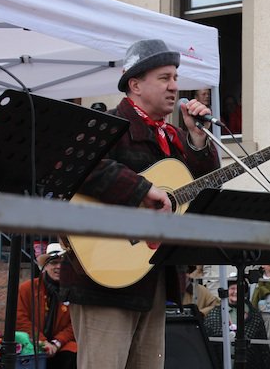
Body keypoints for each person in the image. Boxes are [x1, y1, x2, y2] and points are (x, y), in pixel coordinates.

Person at [59, 39, 220, 369]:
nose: (175, 86)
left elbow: (200, 187)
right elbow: (76, 165)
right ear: (135, 84)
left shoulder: (173, 136)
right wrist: (142, 189)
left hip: (152, 273)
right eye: (164, 78)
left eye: (176, 77)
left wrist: (198, 140)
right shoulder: (106, 125)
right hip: (101, 276)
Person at [17, 243, 77, 369]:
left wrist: (56, 343)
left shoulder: (74, 291)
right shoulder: (27, 288)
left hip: (61, 344)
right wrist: (42, 342)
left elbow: (75, 324)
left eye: (63, 263)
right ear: (45, 266)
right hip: (32, 342)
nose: (59, 267)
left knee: (73, 352)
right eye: (54, 262)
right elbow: (20, 318)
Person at [203, 274, 270, 369]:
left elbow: (263, 350)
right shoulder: (215, 314)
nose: (235, 292)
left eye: (239, 289)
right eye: (232, 288)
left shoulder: (255, 316)